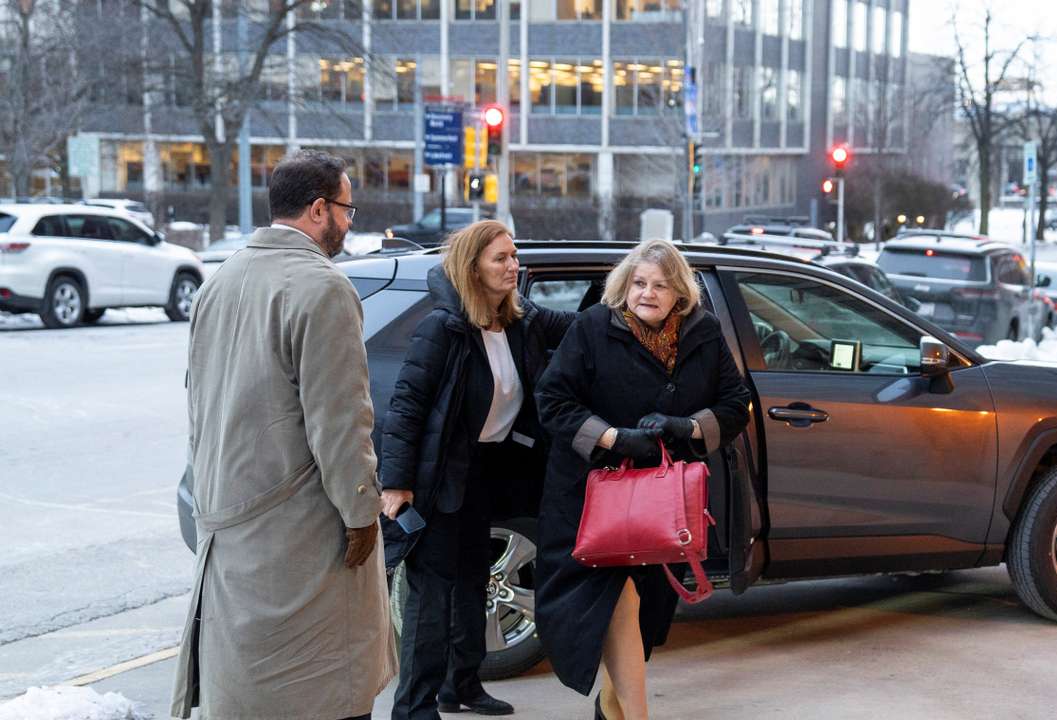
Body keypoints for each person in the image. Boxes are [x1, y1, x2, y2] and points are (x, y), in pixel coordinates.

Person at [172, 149, 396, 720]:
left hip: (232, 533)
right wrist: (360, 514)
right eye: (347, 209)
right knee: (326, 693)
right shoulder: (322, 287)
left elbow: (199, 409)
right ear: (319, 209)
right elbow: (341, 424)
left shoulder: (218, 283)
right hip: (303, 542)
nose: (350, 223)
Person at [534, 239, 751, 720]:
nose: (647, 293)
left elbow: (736, 405)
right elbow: (552, 400)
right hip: (591, 499)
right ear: (623, 285)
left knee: (644, 610)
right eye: (638, 283)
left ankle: (610, 708)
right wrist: (612, 437)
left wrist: (688, 428)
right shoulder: (594, 326)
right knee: (619, 600)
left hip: (663, 501)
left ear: (680, 293)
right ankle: (636, 715)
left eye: (660, 285)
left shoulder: (704, 332)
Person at [379, 220, 576, 720]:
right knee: (430, 597)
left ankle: (461, 685)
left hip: (485, 473)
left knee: (473, 581)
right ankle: (414, 708)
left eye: (513, 256)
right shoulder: (443, 329)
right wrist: (396, 486)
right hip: (439, 478)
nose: (513, 266)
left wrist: (635, 305)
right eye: (500, 258)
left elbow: (579, 327)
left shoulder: (519, 320)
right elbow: (406, 409)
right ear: (472, 268)